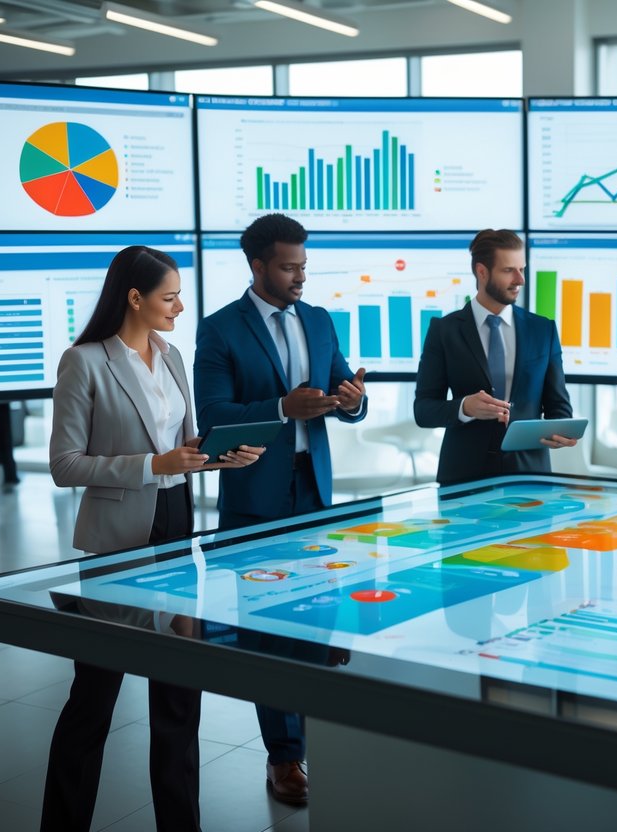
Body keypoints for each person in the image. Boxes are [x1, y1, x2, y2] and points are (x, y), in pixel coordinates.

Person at [44, 245, 262, 832]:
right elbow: (65, 464)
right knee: (94, 698)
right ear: (135, 297)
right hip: (116, 542)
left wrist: (221, 460)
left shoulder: (172, 357)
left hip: (177, 528)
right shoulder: (84, 361)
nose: (180, 306)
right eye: (169, 297)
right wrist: (152, 465)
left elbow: (184, 451)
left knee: (177, 698)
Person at [195, 212, 367, 806]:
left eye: (303, 266)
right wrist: (279, 406)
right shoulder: (220, 329)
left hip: (313, 490)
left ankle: (319, 742)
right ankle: (284, 758)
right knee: (267, 628)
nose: (300, 276)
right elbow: (214, 413)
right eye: (290, 266)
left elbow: (343, 391)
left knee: (316, 620)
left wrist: (353, 400)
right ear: (258, 265)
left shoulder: (319, 321)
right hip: (254, 494)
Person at [414, 229, 577, 485]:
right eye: (508, 270)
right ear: (482, 272)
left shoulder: (542, 330)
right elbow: (423, 410)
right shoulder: (444, 330)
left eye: (522, 269)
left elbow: (559, 407)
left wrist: (560, 432)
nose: (520, 279)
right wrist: (464, 407)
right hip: (462, 475)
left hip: (530, 475)